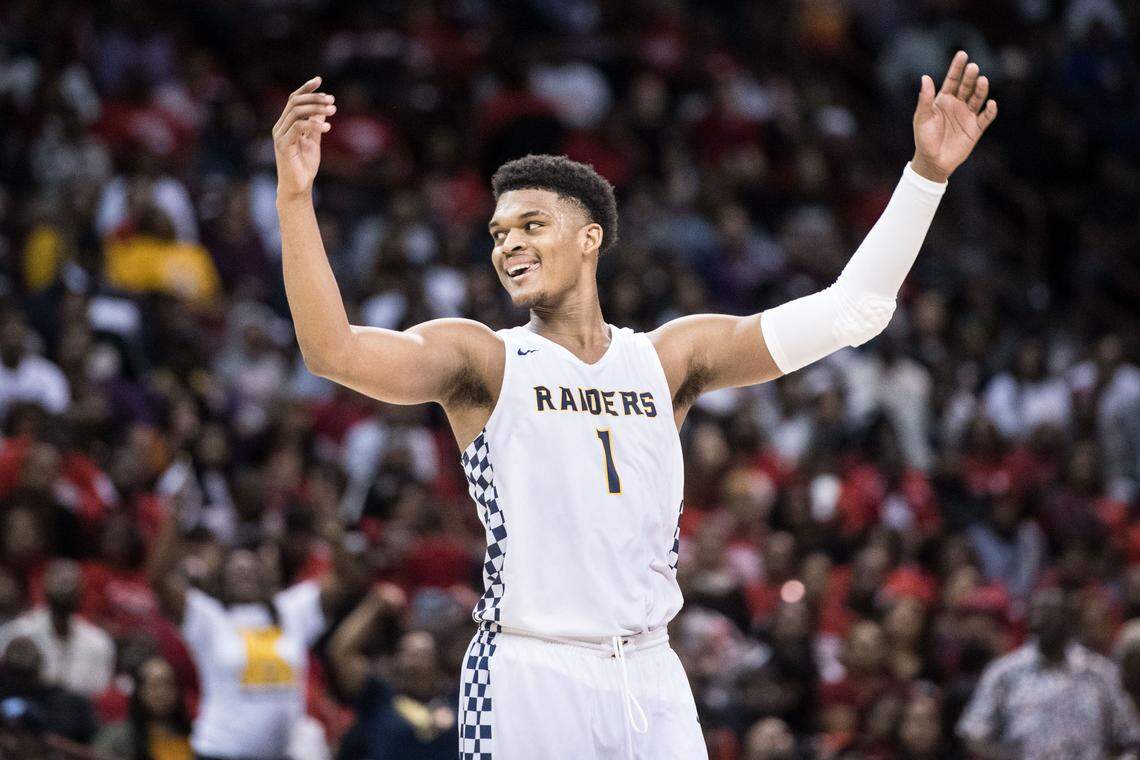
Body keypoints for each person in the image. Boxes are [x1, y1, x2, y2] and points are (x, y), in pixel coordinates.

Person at [273, 50, 999, 759]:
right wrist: (296, 198)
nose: (508, 246)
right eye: (498, 234)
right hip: (532, 670)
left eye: (530, 225)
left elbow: (855, 312)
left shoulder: (666, 359)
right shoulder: (483, 359)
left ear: (589, 238)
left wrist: (926, 178)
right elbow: (332, 351)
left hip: (651, 673)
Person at [147, 492, 362, 760]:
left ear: (267, 578)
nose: (244, 574)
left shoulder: (293, 610)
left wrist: (334, 538)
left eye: (251, 569)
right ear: (221, 581)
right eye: (236, 571)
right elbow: (158, 579)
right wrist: (172, 522)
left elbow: (349, 582)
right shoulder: (209, 617)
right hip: (221, 752)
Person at [957, 587, 1140, 759]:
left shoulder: (1099, 672)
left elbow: (1130, 736)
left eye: (1052, 614)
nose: (1043, 621)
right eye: (1038, 613)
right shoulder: (1004, 672)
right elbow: (973, 734)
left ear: (1070, 620)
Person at [329, 584, 456, 760]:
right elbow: (342, 653)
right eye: (407, 653)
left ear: (437, 661)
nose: (413, 660)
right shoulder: (380, 696)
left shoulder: (456, 699)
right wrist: (374, 606)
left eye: (421, 653)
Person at [0, 558, 115, 697]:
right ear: (43, 586)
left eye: (71, 582)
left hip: (78, 714)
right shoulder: (17, 632)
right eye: (59, 579)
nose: (65, 586)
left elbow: (98, 695)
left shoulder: (98, 642)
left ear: (82, 591)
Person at [93, 655, 193, 760]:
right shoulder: (117, 738)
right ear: (140, 691)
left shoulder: (196, 736)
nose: (162, 693)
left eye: (168, 685)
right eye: (154, 686)